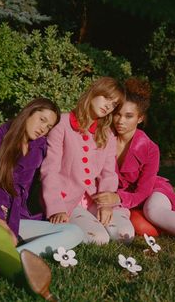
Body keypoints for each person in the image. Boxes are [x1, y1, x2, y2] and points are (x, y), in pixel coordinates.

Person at [0, 97, 84, 299]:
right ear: (28, 112)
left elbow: (57, 172)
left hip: (14, 216)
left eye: (49, 126)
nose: (43, 129)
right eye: (42, 119)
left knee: (74, 232)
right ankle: (29, 283)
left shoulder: (38, 148)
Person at [95, 77, 175, 244]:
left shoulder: (150, 148)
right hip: (128, 201)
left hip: (152, 191)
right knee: (142, 227)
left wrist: (117, 198)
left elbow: (143, 192)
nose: (120, 121)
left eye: (129, 116)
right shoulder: (104, 137)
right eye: (117, 114)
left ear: (140, 118)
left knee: (153, 211)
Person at [41, 77, 135, 245]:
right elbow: (50, 170)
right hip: (66, 200)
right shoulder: (62, 123)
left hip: (95, 197)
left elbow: (108, 173)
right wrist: (56, 208)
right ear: (94, 92)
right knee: (99, 239)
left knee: (124, 234)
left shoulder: (107, 134)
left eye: (113, 104)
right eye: (106, 98)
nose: (108, 106)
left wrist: (106, 203)